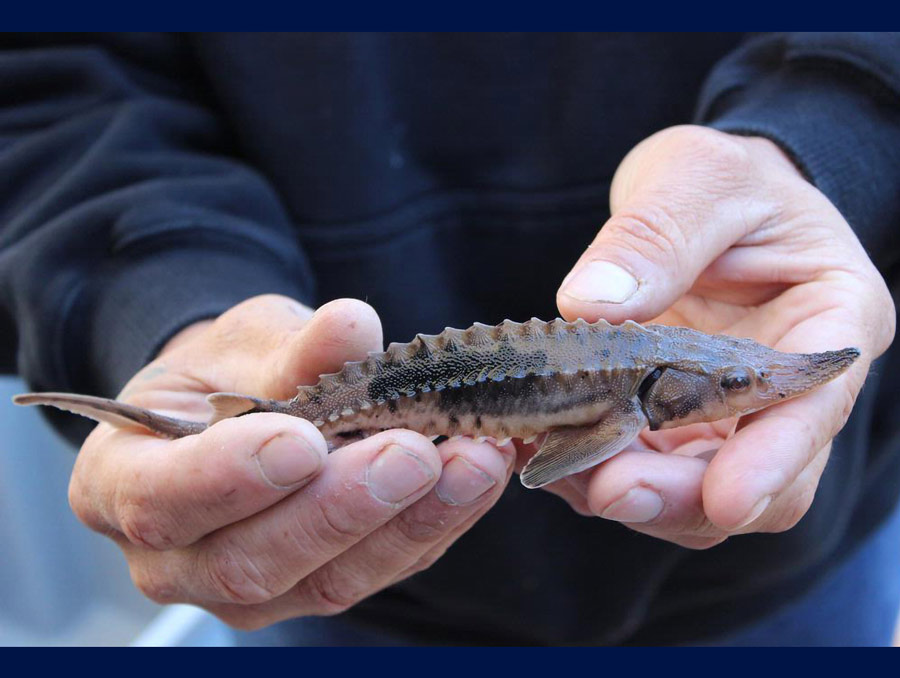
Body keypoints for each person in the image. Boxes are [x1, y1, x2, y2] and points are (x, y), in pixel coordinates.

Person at [1, 32, 898, 646]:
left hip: (798, 575)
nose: (763, 384)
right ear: (664, 392)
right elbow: (48, 78)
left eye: (735, 383)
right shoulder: (627, 408)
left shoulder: (640, 396)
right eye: (738, 387)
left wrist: (829, 146)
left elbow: (547, 465)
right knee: (313, 490)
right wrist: (159, 301)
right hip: (364, 588)